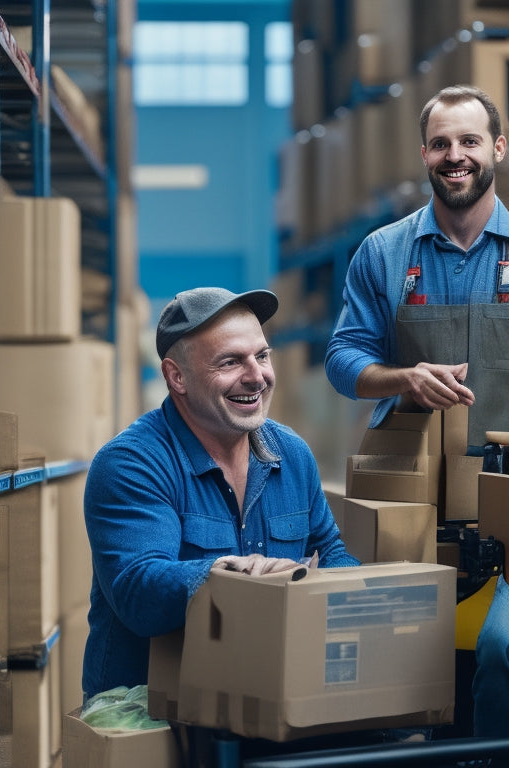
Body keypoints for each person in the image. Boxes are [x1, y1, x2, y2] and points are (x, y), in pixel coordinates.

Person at [324, 84, 509, 738]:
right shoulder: (383, 253)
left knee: (499, 651)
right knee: (392, 669)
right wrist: (405, 379)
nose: (454, 156)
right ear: (422, 153)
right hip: (413, 494)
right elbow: (344, 359)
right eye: (441, 143)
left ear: (498, 148)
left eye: (469, 141)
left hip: (505, 489)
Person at [82, 286, 359, 699]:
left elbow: (330, 549)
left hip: (265, 695)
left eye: (262, 356)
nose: (257, 376)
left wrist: (358, 590)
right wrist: (236, 576)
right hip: (150, 712)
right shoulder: (132, 464)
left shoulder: (292, 455)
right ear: (177, 377)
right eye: (230, 362)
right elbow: (138, 591)